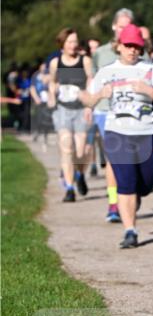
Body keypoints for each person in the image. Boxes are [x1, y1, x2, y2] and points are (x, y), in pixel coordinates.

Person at [81, 25, 153, 248]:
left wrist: (149, 91)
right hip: (118, 133)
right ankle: (130, 231)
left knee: (144, 185)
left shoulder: (151, 70)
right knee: (125, 183)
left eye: (136, 46)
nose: (132, 50)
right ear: (119, 46)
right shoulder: (107, 71)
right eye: (128, 45)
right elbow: (88, 100)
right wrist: (99, 95)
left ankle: (135, 200)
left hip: (147, 133)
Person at [92, 8, 136, 222]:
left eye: (128, 27)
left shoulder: (138, 51)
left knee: (132, 158)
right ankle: (113, 204)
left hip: (133, 113)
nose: (123, 31)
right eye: (120, 27)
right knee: (113, 157)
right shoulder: (100, 53)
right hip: (104, 111)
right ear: (113, 27)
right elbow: (91, 80)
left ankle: (127, 194)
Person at [48, 29, 93, 202]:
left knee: (81, 151)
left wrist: (89, 101)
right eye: (69, 42)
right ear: (62, 44)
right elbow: (53, 81)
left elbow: (91, 80)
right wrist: (52, 95)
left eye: (75, 41)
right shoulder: (55, 62)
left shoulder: (85, 61)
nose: (73, 45)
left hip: (81, 109)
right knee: (67, 149)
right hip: (62, 109)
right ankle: (69, 188)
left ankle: (80, 174)